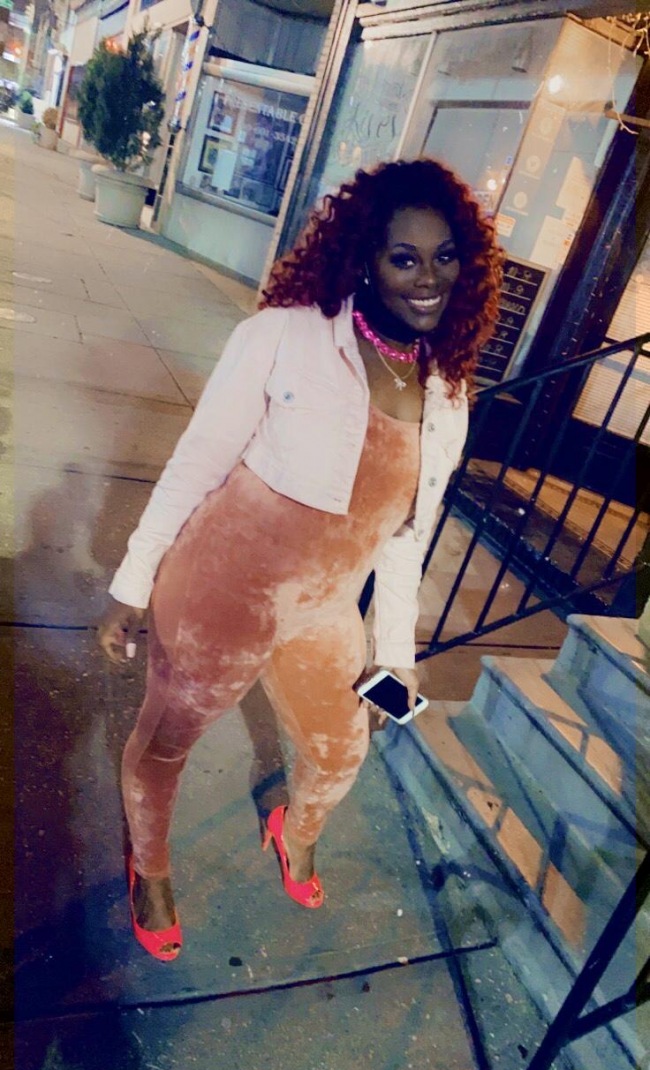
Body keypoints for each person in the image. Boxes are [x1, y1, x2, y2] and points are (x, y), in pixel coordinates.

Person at [98, 158, 502, 961]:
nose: (428, 278)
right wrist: (134, 583)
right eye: (405, 257)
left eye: (445, 257)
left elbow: (406, 533)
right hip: (224, 588)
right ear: (366, 257)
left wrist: (395, 657)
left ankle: (296, 828)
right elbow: (198, 460)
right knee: (171, 737)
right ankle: (150, 866)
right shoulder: (284, 336)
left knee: (340, 750)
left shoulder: (448, 391)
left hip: (325, 609)